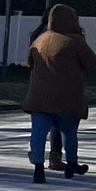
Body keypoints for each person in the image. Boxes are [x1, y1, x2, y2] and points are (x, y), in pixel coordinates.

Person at [23, 3, 96, 183]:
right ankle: (71, 164)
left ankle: (39, 169)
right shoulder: (75, 40)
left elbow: (29, 62)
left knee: (38, 133)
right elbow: (91, 62)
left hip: (39, 97)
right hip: (67, 96)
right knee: (69, 132)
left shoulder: (39, 40)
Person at [31, 13, 66, 171]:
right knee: (57, 124)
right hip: (59, 85)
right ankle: (55, 157)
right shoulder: (63, 37)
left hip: (37, 85)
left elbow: (29, 60)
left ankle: (38, 159)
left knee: (39, 126)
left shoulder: (37, 36)